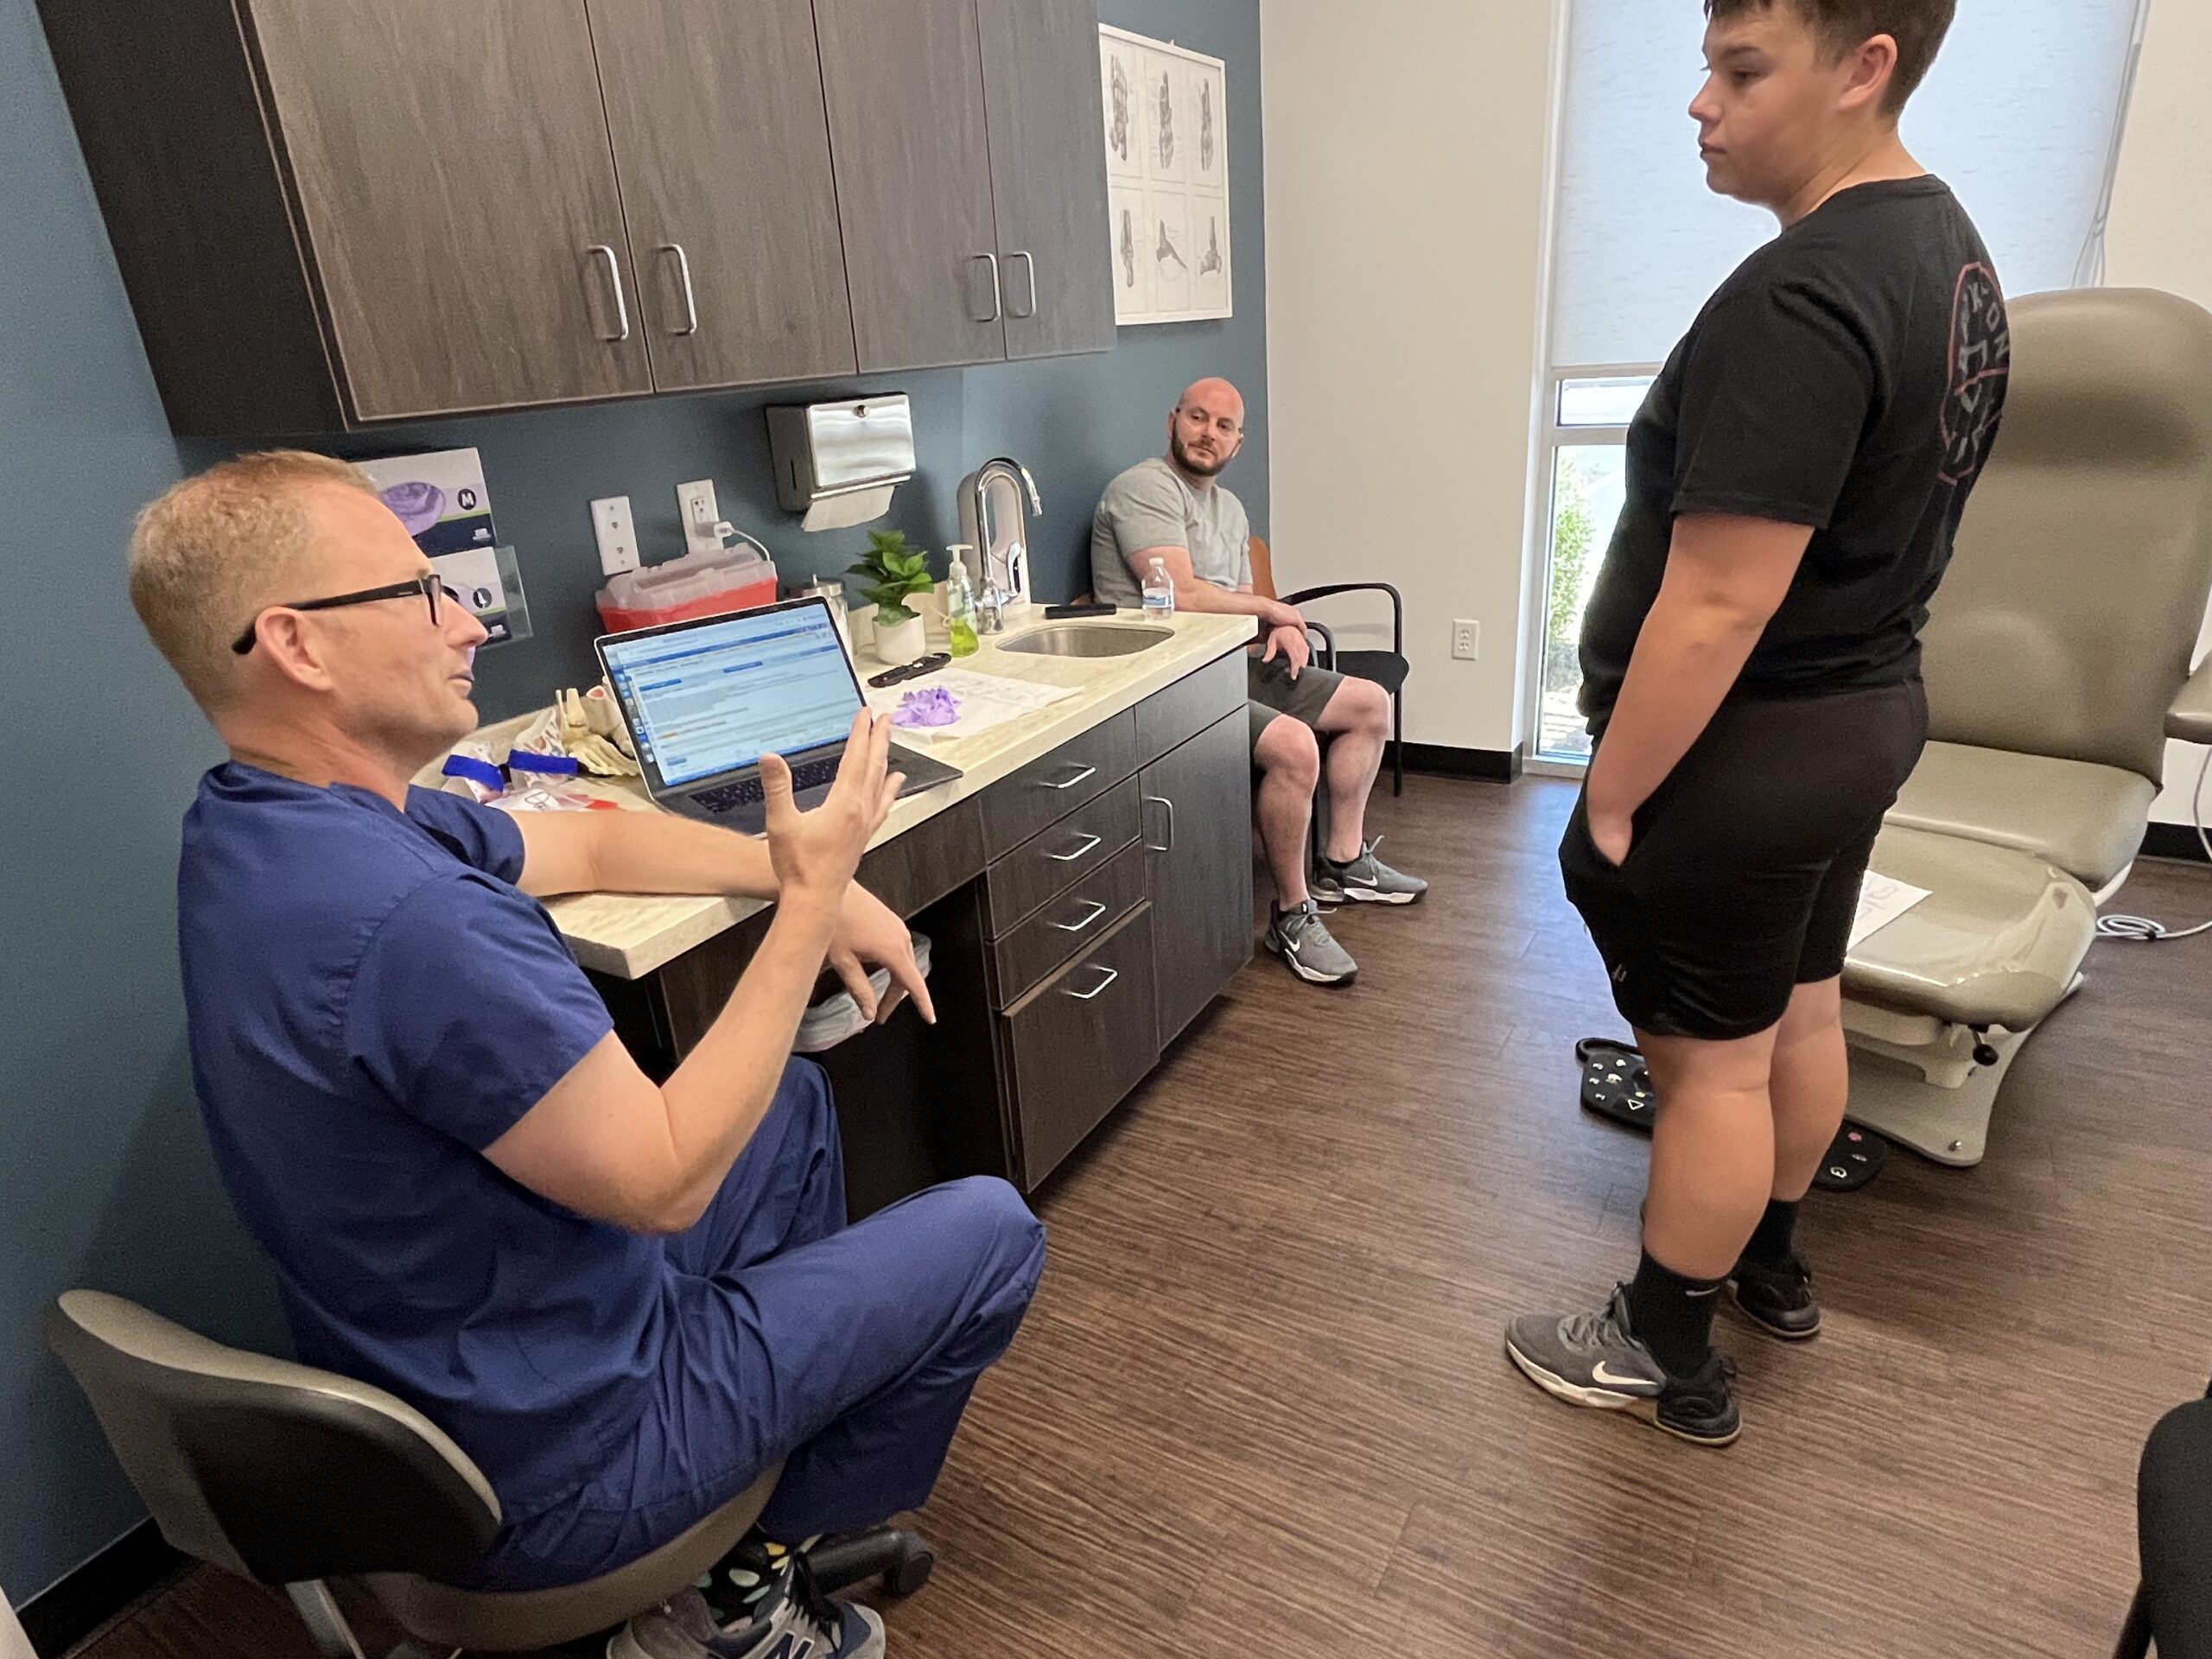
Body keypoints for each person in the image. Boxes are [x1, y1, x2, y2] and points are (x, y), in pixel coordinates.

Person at [129, 451, 1047, 1659]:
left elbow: (589, 845)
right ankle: (730, 1597)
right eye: (419, 593)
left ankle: (733, 1488)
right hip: (559, 1466)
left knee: (787, 1109)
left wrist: (785, 870)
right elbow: (665, 1184)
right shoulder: (417, 924)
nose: (467, 621)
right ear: (297, 644)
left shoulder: (267, 825)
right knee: (990, 1234)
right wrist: (817, 899)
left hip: (455, 1376)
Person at [1505, 0, 2008, 1445]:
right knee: (1802, 1007)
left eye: (1741, 71)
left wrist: (1611, 797)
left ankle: (1662, 1346)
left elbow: (1719, 602)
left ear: (1865, 69)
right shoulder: (1952, 254)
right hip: (1860, 717)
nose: (1700, 104)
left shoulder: (1805, 295)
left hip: (1751, 749)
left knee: (1710, 1067)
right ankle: (1770, 1264)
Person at [1091, 377, 1427, 988]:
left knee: (1369, 705)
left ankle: (1344, 861)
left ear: (1238, 443)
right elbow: (1182, 593)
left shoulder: (1230, 509)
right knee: (1296, 746)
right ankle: (1292, 914)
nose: (1208, 434)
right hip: (1167, 685)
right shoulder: (1143, 489)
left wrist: (1280, 629)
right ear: (1172, 421)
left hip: (1230, 665)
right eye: (1197, 418)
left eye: (1223, 426)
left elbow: (1242, 605)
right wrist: (1276, 612)